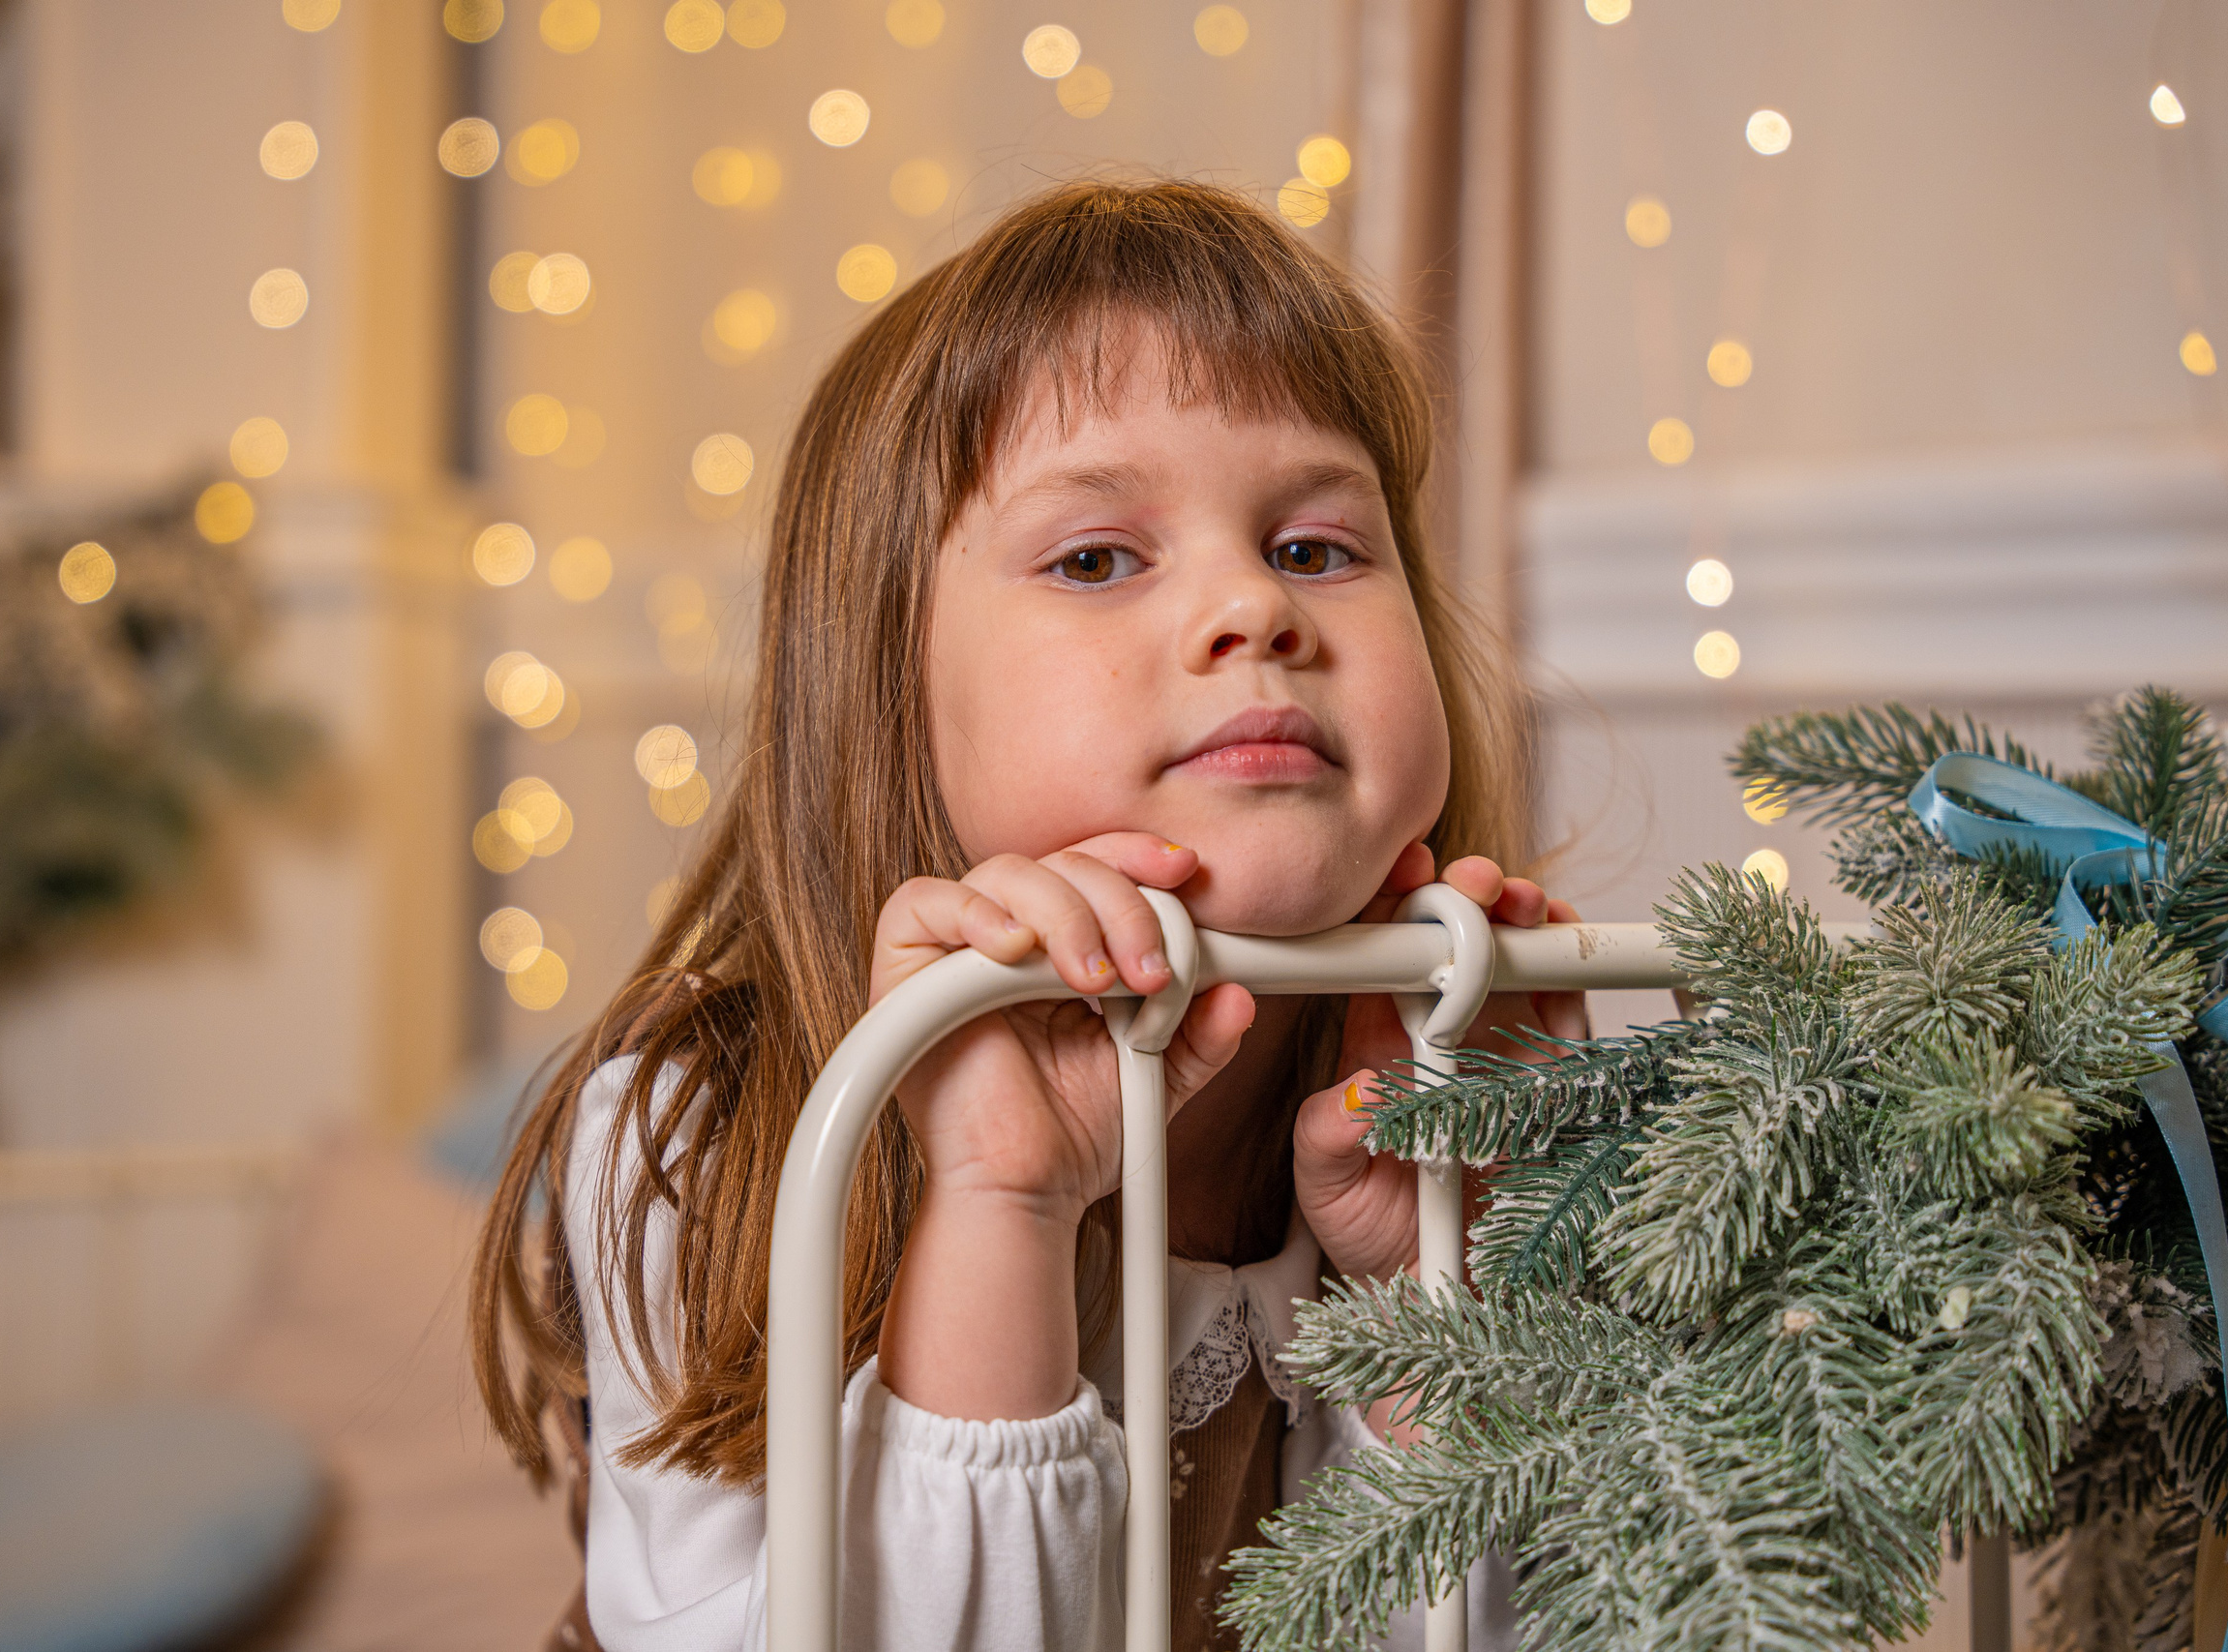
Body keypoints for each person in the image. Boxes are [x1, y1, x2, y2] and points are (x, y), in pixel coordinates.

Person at [470, 179, 1586, 1652]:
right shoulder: (691, 1137)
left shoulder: (1461, 1086)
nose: (1253, 609)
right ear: (890, 692)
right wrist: (997, 1204)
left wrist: (1437, 1304)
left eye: (1314, 547)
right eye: (1098, 558)